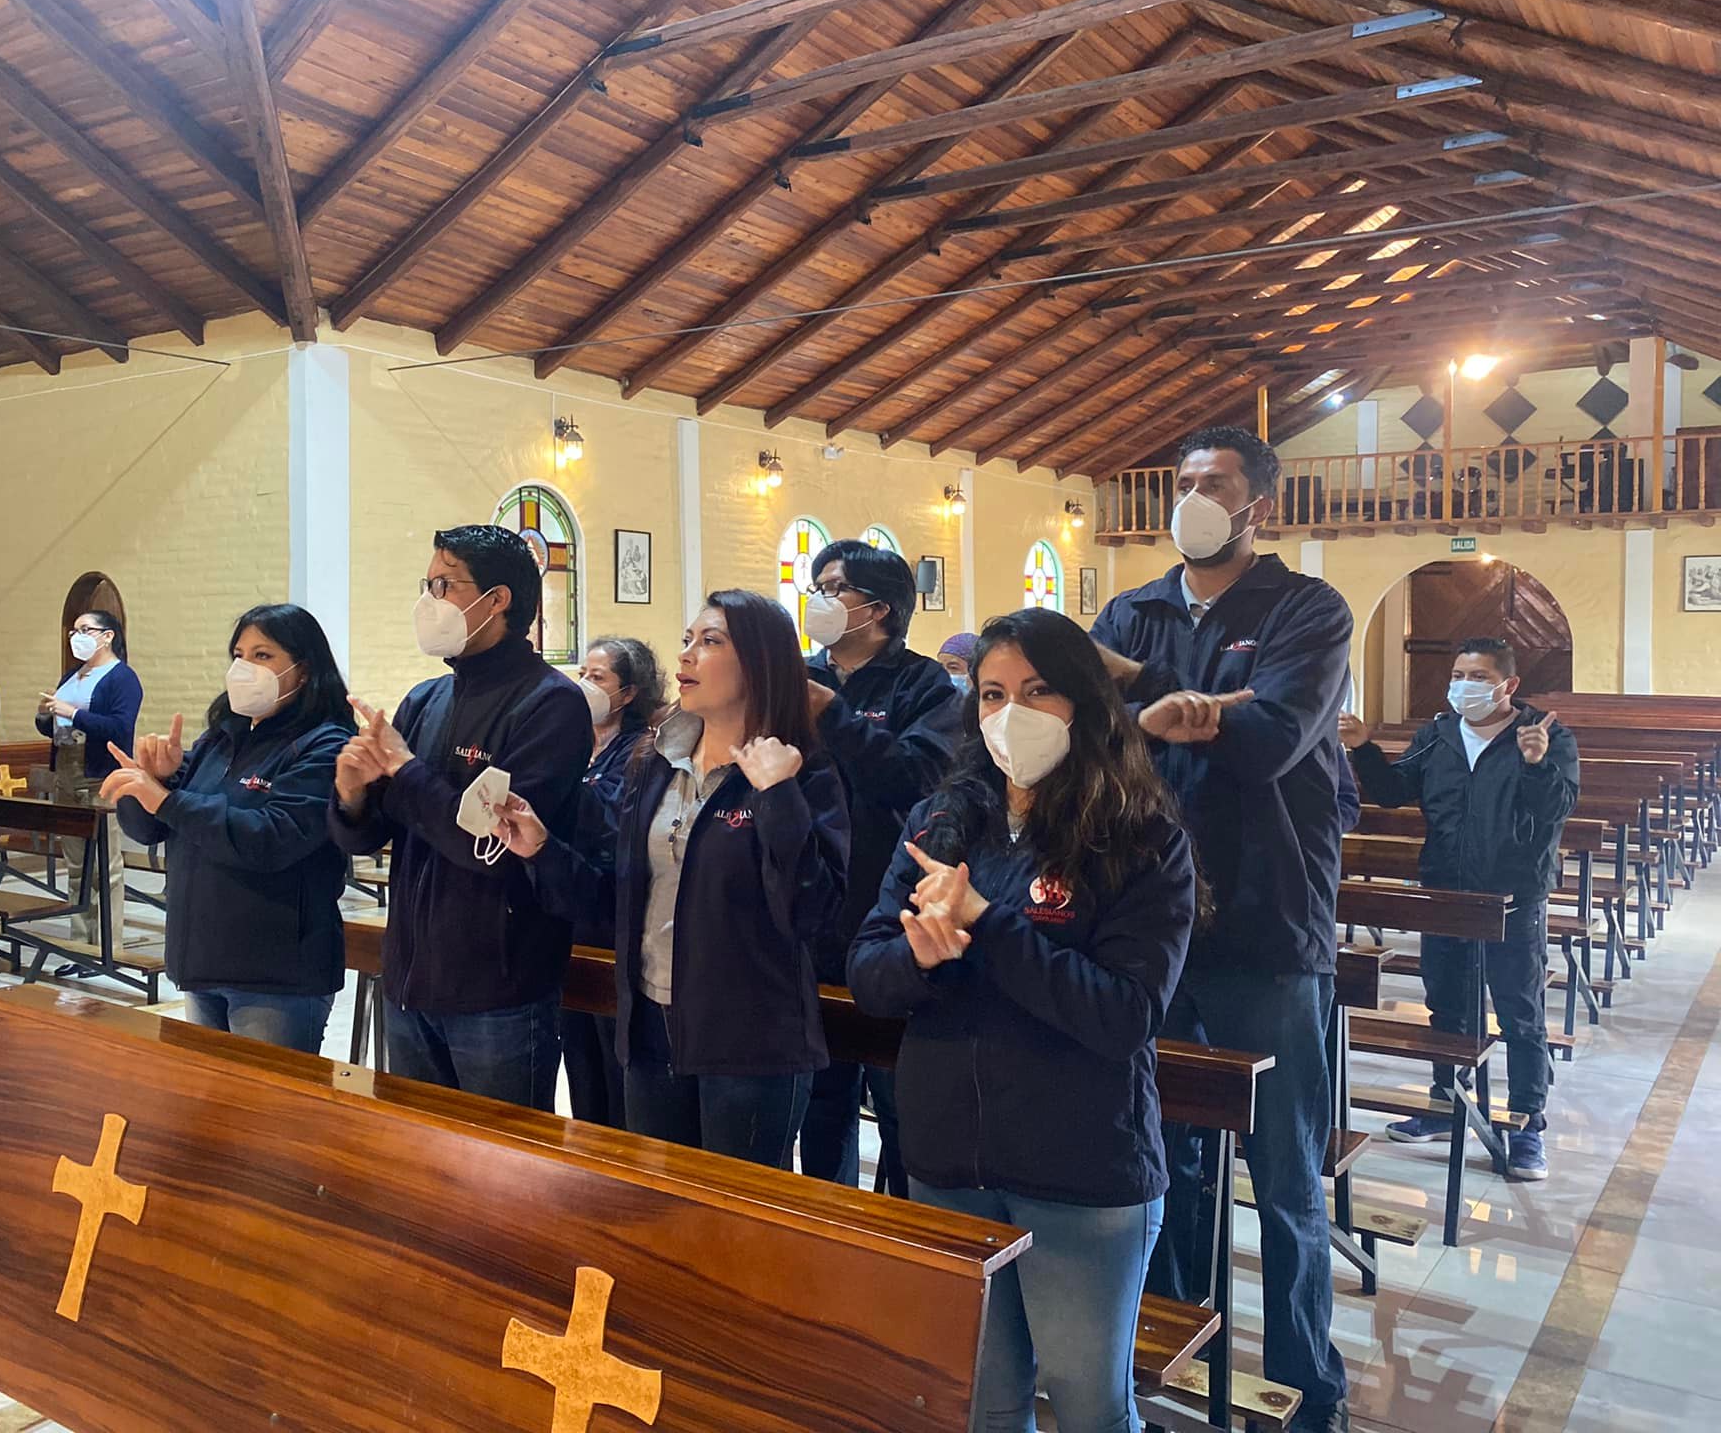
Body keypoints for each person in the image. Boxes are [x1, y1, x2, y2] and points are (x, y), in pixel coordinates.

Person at [851, 608, 1197, 1433]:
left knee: (1088, 1406)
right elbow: (867, 973)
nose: (1013, 713)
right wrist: (919, 958)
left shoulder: (1139, 835)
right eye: (993, 694)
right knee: (984, 1402)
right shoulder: (941, 821)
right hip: (949, 1157)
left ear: (1084, 700)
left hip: (1079, 1167)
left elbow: (1123, 1015)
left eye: (1038, 691)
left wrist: (987, 924)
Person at [1090, 425, 1352, 1433]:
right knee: (1153, 1158)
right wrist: (1163, 709)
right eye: (1184, 480)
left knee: (1284, 1177)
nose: (1193, 497)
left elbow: (1269, 739)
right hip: (1149, 924)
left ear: (1258, 506)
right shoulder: (1133, 608)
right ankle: (1168, 1358)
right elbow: (1091, 746)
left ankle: (1304, 1388)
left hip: (1265, 919)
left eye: (1215, 483)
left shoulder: (1304, 608)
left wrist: (1138, 690)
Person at [494, 590, 849, 1168]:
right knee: (658, 1204)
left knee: (732, 1215)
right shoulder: (655, 763)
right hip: (650, 1029)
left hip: (749, 1042)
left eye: (710, 642)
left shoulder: (802, 770)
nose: (686, 655)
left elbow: (815, 912)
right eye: (687, 640)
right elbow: (618, 901)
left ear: (760, 662)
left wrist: (778, 797)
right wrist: (542, 851)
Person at [330, 526, 594, 1111]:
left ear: (497, 600)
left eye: (445, 585)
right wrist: (352, 792)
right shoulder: (426, 699)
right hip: (411, 977)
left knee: (500, 1156)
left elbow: (490, 845)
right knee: (420, 1148)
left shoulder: (550, 702)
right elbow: (373, 834)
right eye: (427, 585)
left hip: (498, 988)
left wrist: (403, 769)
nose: (430, 601)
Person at [1341, 638, 1578, 1181]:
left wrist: (1536, 763)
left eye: (1478, 676)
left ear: (1507, 685)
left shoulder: (1544, 734)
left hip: (1512, 895)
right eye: (1458, 674)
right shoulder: (1440, 734)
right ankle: (1446, 1101)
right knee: (1446, 1004)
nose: (1464, 685)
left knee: (1519, 1011)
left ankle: (1527, 1125)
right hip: (1445, 892)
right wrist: (1365, 748)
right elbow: (1394, 791)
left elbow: (1556, 808)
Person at [103, 604, 352, 1054]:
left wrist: (167, 799)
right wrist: (153, 784)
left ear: (303, 669)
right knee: (207, 1096)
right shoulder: (221, 739)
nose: (244, 667)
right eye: (239, 654)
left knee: (266, 1098)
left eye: (263, 655)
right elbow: (152, 829)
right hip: (202, 959)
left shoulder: (326, 745)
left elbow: (271, 838)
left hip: (276, 974)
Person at [799, 538, 960, 1195]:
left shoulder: (926, 685)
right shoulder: (799, 676)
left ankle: (903, 1223)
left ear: (880, 609)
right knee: (821, 1098)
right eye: (817, 587)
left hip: (889, 913)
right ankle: (829, 1220)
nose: (821, 599)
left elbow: (917, 781)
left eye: (835, 588)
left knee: (897, 1100)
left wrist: (833, 716)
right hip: (809, 909)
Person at [561, 636, 666, 1128]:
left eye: (598, 677)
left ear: (627, 693)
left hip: (612, 915)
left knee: (612, 1060)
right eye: (582, 673)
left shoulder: (641, 749)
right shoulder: (573, 740)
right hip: (566, 912)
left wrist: (565, 784)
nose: (585, 684)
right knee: (579, 1062)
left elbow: (615, 823)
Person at [34, 609, 142, 960]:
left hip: (99, 775)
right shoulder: (73, 674)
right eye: (73, 631)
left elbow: (119, 728)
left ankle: (108, 947)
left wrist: (73, 713)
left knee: (105, 868)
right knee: (77, 865)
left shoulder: (122, 678)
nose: (76, 636)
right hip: (67, 771)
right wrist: (45, 715)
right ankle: (79, 945)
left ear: (108, 636)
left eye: (85, 629)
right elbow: (56, 727)